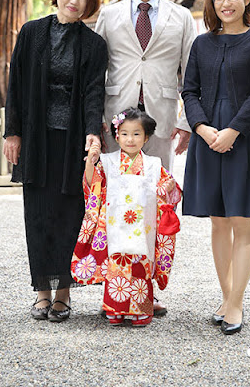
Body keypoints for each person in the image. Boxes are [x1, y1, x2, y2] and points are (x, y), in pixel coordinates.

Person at [95, 0, 195, 316]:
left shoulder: (181, 17)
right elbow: (97, 71)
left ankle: (148, 288)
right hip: (115, 122)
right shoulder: (110, 14)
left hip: (162, 122)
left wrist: (185, 122)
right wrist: (97, 119)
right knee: (116, 203)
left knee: (153, 202)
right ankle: (116, 288)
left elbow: (191, 74)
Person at [3, 0, 107, 322]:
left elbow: (94, 93)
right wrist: (11, 132)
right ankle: (41, 293)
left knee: (69, 214)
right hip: (35, 137)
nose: (75, 1)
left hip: (72, 141)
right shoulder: (31, 33)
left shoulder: (94, 44)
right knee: (37, 213)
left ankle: (63, 293)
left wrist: (93, 132)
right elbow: (15, 84)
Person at [182, 0, 250, 335]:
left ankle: (236, 304)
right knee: (218, 221)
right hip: (207, 137)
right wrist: (205, 129)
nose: (226, 3)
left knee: (242, 220)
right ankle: (226, 297)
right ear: (212, 2)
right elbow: (189, 91)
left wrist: (232, 130)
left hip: (245, 135)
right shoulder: (202, 43)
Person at [71, 107, 181, 326]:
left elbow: (167, 191)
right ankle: (115, 309)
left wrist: (168, 187)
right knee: (117, 265)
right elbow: (94, 184)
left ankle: (141, 311)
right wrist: (90, 162)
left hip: (143, 226)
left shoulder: (153, 164)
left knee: (140, 265)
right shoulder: (108, 161)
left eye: (136, 134)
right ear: (117, 136)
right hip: (114, 224)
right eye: (124, 134)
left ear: (146, 137)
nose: (130, 139)